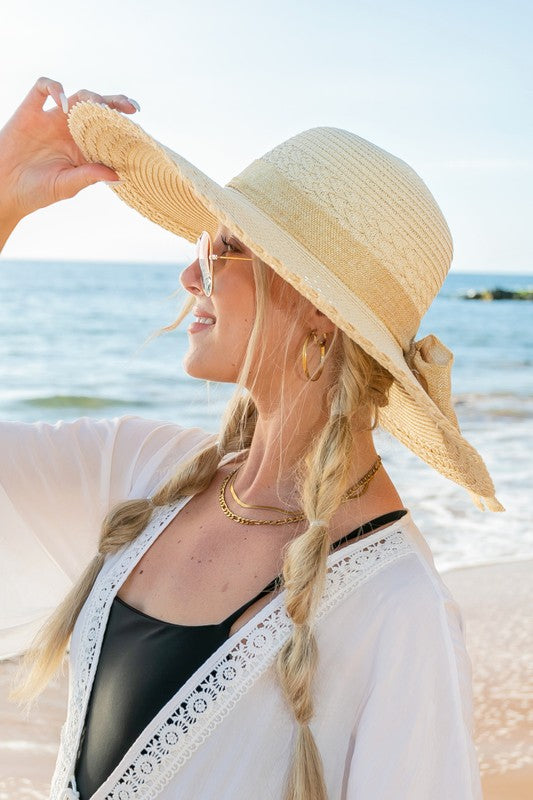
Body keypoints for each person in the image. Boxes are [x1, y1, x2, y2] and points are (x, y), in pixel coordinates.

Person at [0, 77, 504, 800]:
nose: (187, 273)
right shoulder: (139, 475)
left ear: (315, 308)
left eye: (223, 249)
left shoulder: (398, 614)